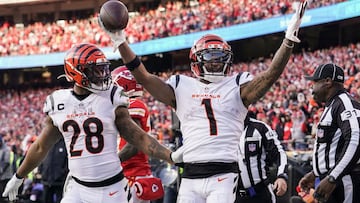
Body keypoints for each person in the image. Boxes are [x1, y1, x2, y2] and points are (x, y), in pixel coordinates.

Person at [99, 1, 307, 202]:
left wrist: (288, 40)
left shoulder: (237, 86)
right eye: (210, 58)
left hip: (223, 173)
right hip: (190, 172)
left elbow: (270, 75)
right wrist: (121, 42)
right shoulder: (182, 86)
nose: (216, 63)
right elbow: (143, 77)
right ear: (196, 61)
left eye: (219, 58)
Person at [2, 43, 173, 203]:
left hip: (112, 186)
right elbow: (41, 146)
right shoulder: (59, 103)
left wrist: (171, 157)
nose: (103, 75)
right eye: (95, 71)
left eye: (103, 69)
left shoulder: (112, 97)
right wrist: (19, 176)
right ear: (76, 72)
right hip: (77, 187)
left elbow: (139, 138)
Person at [298, 63, 360, 203]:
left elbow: (355, 139)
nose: (311, 88)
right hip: (333, 179)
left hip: (343, 181)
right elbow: (332, 148)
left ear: (327, 81)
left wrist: (333, 177)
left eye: (315, 82)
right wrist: (315, 173)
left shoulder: (344, 103)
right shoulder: (332, 105)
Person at [112, 66, 164, 203]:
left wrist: (113, 162)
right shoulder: (133, 104)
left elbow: (134, 143)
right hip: (133, 174)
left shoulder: (133, 104)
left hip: (133, 175)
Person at [236, 113, 288, 203]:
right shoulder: (222, 132)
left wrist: (281, 176)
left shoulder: (260, 128)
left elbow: (279, 153)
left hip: (259, 193)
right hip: (233, 195)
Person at [38, 138, 68, 203]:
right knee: (46, 200)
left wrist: (62, 173)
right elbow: (41, 157)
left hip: (60, 181)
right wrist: (40, 170)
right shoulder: (47, 142)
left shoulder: (65, 143)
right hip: (46, 179)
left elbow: (67, 161)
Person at [0, 136, 12, 203]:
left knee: (4, 195)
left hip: (5, 176)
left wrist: (0, 170)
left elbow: (6, 162)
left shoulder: (6, 149)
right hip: (1, 176)